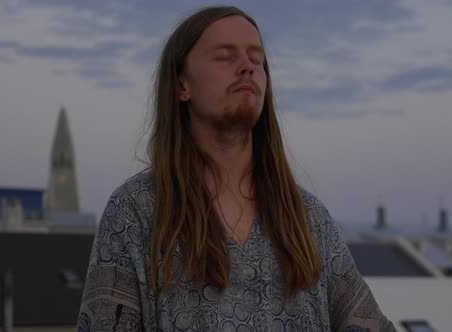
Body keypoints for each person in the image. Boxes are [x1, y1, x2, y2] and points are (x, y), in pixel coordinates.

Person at [77, 6, 396, 332]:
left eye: (257, 59)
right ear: (182, 85)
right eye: (225, 56)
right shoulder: (136, 211)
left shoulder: (308, 219)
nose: (247, 68)